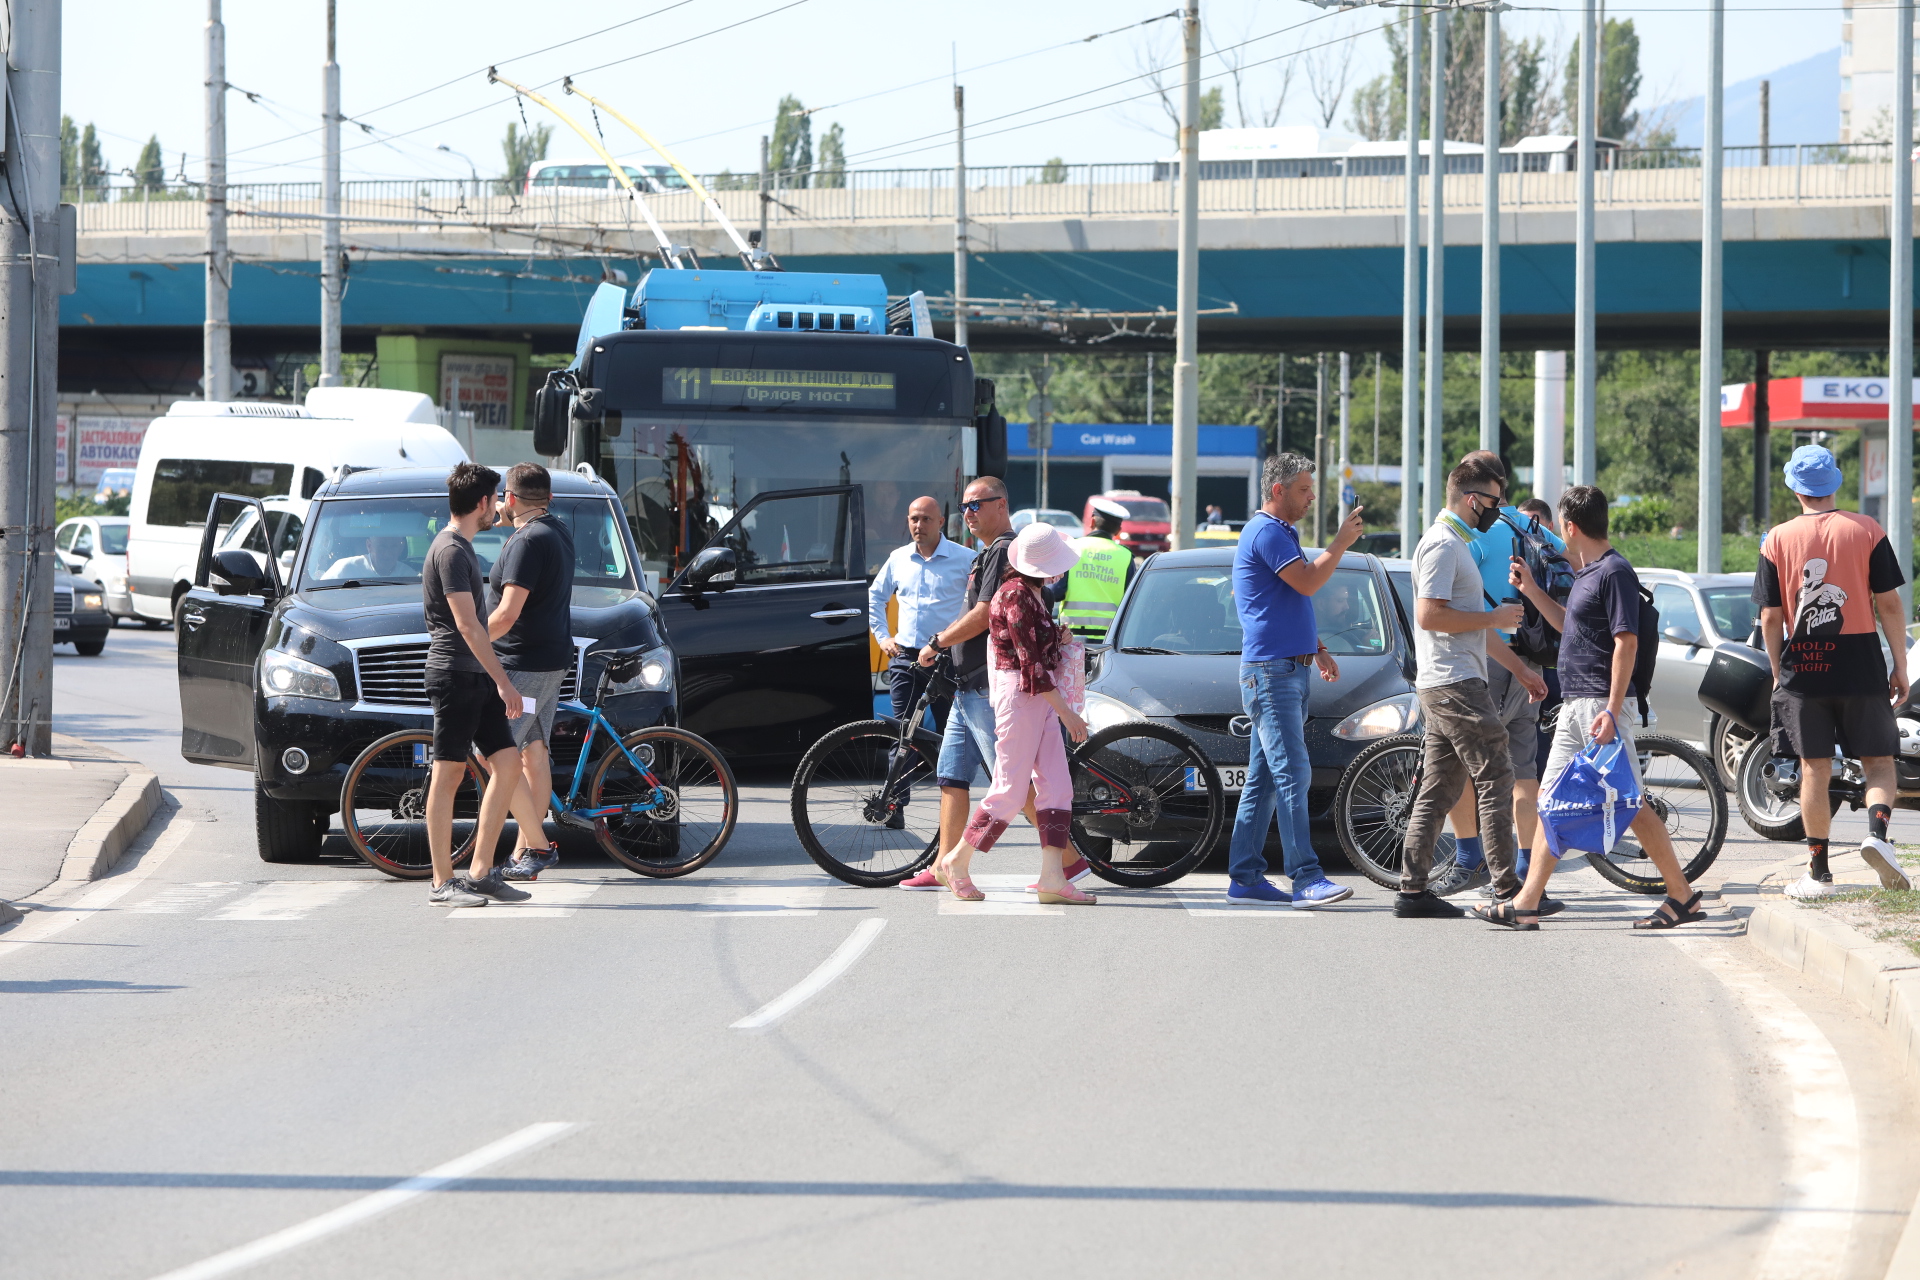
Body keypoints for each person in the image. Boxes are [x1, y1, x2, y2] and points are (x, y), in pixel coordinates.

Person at [1480, 485, 1702, 930]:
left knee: (1632, 804)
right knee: (1549, 800)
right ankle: (1528, 901)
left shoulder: (1614, 572)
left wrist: (1612, 708)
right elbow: (1571, 628)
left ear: (1570, 526)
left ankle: (1682, 897)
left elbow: (1627, 642)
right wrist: (1531, 592)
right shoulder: (1587, 574)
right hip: (1577, 703)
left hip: (1600, 705)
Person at [905, 477, 1085, 890]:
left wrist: (938, 641)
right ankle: (950, 864)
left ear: (1000, 505)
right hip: (994, 690)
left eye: (975, 505)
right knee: (974, 780)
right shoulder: (1015, 583)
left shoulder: (1008, 563)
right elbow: (1027, 654)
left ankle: (1057, 869)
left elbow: (1006, 631)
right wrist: (1067, 710)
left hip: (995, 689)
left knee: (1023, 784)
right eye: (963, 507)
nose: (966, 514)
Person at [1754, 445, 1912, 899]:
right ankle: (1877, 838)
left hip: (1803, 668)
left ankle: (1819, 874)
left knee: (1813, 770)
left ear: (1794, 487)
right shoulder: (1867, 530)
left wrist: (1778, 666)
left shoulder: (1776, 539)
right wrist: (1899, 664)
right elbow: (1889, 603)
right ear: (1835, 484)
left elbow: (1769, 615)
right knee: (1879, 762)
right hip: (1860, 662)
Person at [1397, 456, 1548, 919]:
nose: (1497, 511)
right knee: (1498, 774)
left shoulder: (1456, 543)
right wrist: (1494, 618)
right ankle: (1508, 890)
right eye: (1493, 502)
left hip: (1451, 679)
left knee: (1439, 790)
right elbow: (1429, 616)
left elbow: (1472, 629)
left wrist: (1520, 671)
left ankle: (1413, 891)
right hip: (1454, 682)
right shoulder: (1443, 545)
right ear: (1471, 499)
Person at [1223, 451, 1362, 907]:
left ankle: (1245, 878)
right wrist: (1340, 543)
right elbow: (1305, 583)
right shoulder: (1267, 530)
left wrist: (1316, 648)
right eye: (1304, 490)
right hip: (1272, 672)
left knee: (1264, 780)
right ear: (1277, 490)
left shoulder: (1281, 531)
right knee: (1292, 772)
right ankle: (1306, 877)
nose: (1311, 497)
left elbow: (1284, 602)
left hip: (1285, 668)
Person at [933, 523, 1094, 904]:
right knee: (1009, 789)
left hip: (1035, 696)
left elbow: (1036, 653)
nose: (1060, 571)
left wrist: (1058, 636)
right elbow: (1032, 667)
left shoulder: (1031, 592)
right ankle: (956, 860)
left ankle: (1052, 877)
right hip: (1023, 696)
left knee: (1056, 786)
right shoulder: (1016, 596)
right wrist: (1068, 713)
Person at [1430, 453, 1567, 898]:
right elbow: (1567, 556)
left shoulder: (1473, 534)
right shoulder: (1530, 526)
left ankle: (1471, 857)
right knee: (1523, 769)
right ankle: (1529, 870)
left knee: (1465, 766)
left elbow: (1448, 604)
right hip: (1531, 656)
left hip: (1484, 657)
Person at [421, 463, 530, 908]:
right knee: (447, 776)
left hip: (475, 676)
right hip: (454, 675)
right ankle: (441, 882)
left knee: (507, 765)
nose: (501, 507)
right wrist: (504, 683)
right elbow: (468, 626)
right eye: (496, 500)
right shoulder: (450, 551)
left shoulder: (463, 547)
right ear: (482, 503)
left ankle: (481, 872)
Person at [484, 463, 577, 881]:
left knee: (495, 754)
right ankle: (526, 852)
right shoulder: (557, 531)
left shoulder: (527, 541)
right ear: (549, 498)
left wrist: (468, 639)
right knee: (533, 755)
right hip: (549, 660)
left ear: (512, 498)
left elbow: (506, 613)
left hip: (522, 665)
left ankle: (535, 846)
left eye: (504, 496)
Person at [869, 495, 971, 736]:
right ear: (908, 521)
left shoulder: (965, 559)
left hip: (948, 660)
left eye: (927, 519)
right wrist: (883, 637)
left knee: (951, 737)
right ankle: (901, 775)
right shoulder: (898, 558)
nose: (919, 525)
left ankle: (947, 775)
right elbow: (876, 596)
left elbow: (978, 606)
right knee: (903, 735)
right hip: (907, 660)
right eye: (914, 519)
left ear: (941, 522)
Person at [1053, 495, 1137, 642]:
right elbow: (1132, 601)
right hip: (1110, 640)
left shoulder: (1073, 548)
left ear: (1092, 522)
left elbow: (1056, 591)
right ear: (1118, 530)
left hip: (1071, 638)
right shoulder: (1125, 556)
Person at [320, 535, 412, 580]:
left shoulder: (410, 575)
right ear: (369, 546)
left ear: (401, 548)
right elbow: (320, 597)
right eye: (382, 546)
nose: (387, 554)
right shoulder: (344, 569)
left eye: (394, 547)